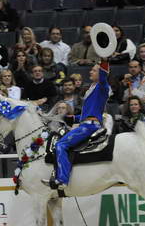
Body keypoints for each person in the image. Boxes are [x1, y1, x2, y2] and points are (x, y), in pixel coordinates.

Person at [42, 58, 111, 190]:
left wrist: (104, 59)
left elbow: (104, 76)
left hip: (89, 126)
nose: (91, 71)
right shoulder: (92, 88)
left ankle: (62, 180)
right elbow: (89, 113)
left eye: (94, 70)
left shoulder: (102, 86)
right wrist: (73, 118)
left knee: (61, 145)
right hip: (86, 123)